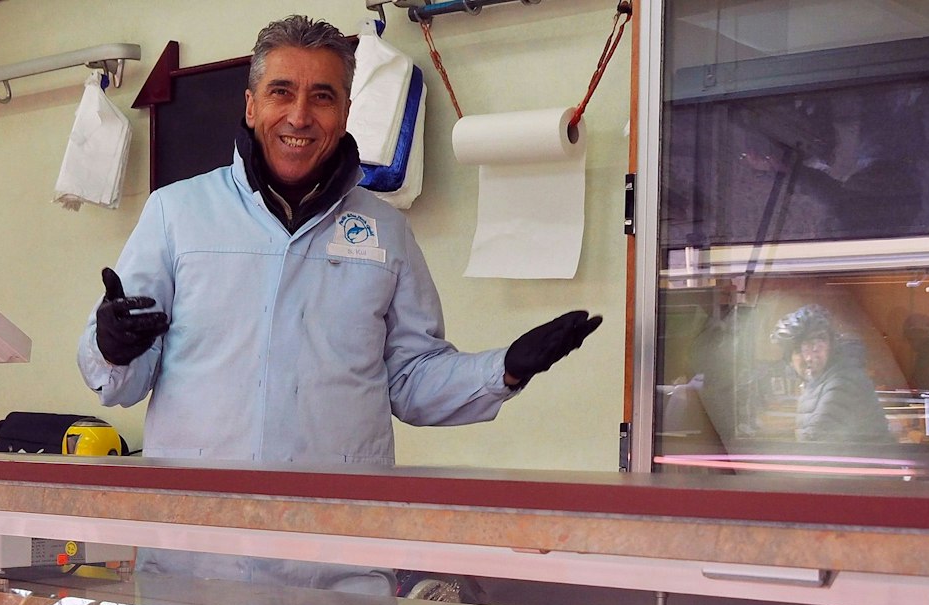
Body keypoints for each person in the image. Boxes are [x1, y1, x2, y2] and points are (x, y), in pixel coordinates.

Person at [78, 15, 597, 473]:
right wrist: (112, 347)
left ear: (346, 111)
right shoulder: (175, 212)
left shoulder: (386, 230)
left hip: (338, 527)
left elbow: (410, 379)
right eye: (281, 92)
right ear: (251, 106)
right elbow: (122, 382)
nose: (300, 116)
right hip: (197, 526)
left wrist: (506, 368)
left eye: (322, 97)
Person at [772, 305, 891, 444]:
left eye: (816, 346)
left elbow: (817, 442)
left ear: (831, 346)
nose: (809, 357)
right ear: (789, 359)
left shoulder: (843, 381)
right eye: (799, 350)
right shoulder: (819, 381)